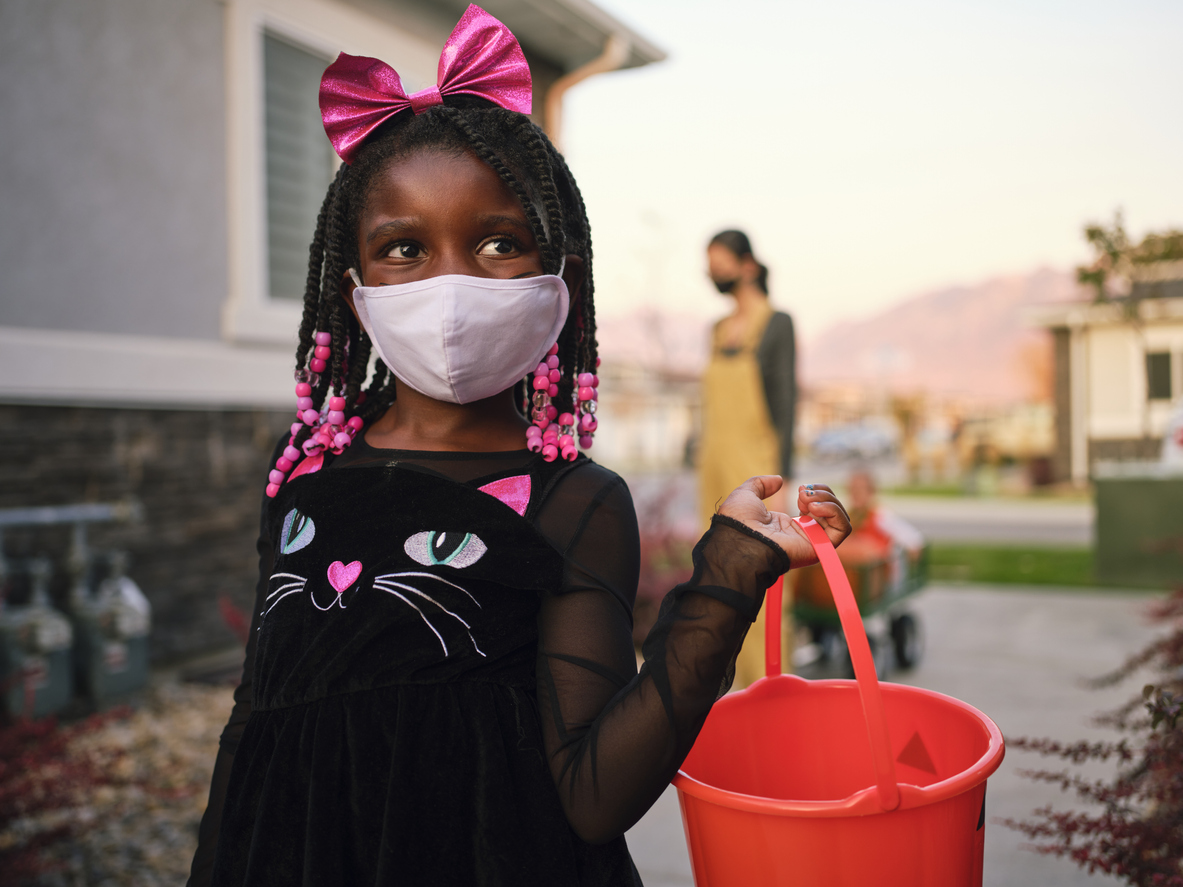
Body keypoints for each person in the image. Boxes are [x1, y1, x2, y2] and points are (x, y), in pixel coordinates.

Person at [187, 8, 850, 886]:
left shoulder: (573, 503)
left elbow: (592, 795)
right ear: (353, 292)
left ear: (557, 278)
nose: (451, 283)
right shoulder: (303, 472)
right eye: (404, 248)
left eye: (499, 242)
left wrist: (727, 575)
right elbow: (258, 724)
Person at [698, 229, 798, 688]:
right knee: (717, 572)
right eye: (709, 263)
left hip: (759, 472)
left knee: (765, 578)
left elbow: (785, 404)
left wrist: (786, 479)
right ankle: (728, 687)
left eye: (720, 261)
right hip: (714, 471)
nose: (713, 272)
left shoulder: (776, 324)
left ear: (747, 266)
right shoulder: (716, 331)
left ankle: (771, 684)